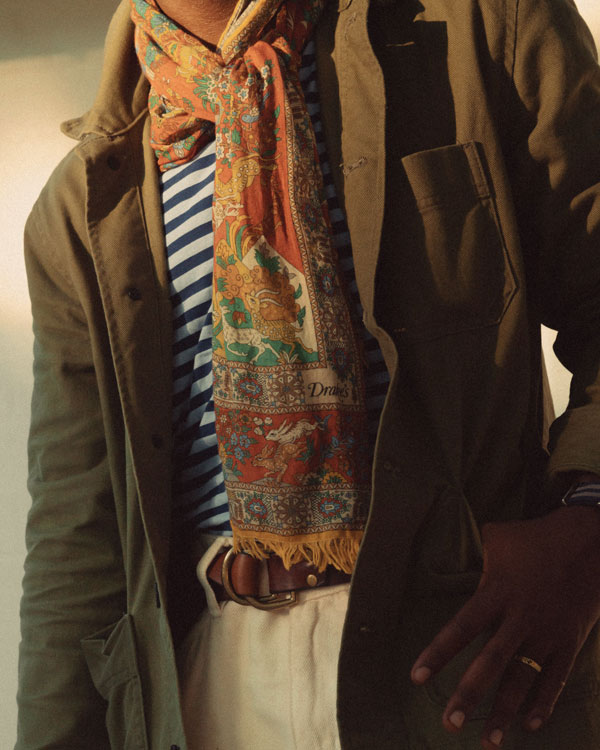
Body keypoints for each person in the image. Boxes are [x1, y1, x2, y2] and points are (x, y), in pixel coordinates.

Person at [15, 0, 600, 747]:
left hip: (463, 665)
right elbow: (77, 533)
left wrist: (587, 521)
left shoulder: (484, 25)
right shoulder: (83, 204)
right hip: (213, 690)